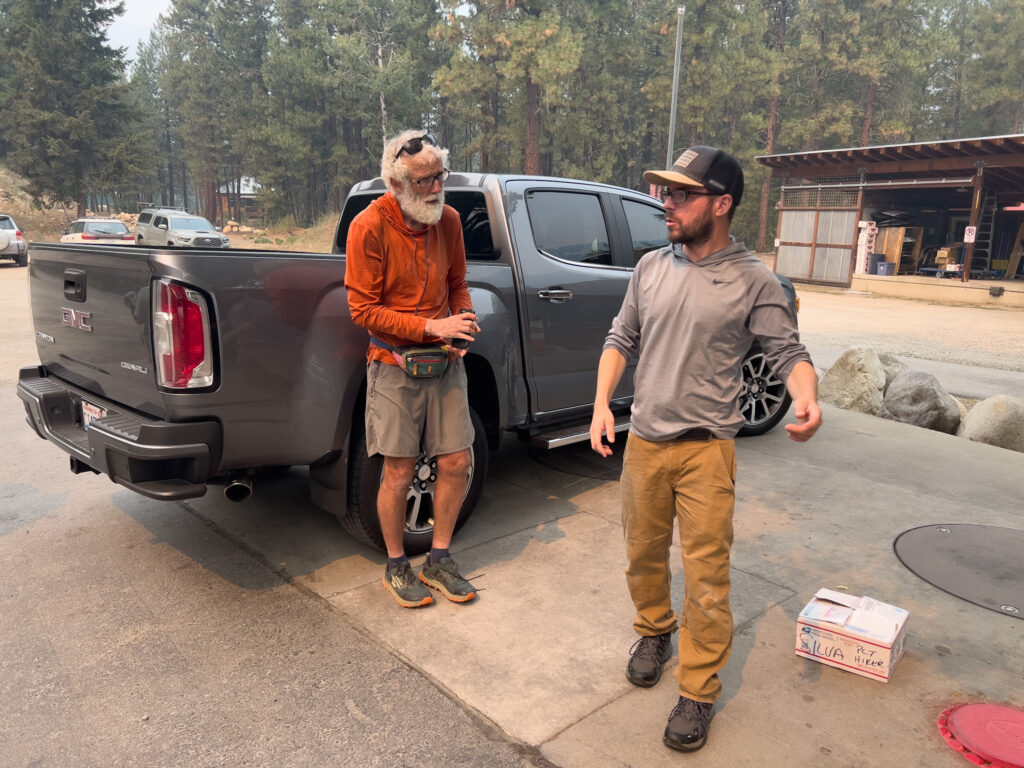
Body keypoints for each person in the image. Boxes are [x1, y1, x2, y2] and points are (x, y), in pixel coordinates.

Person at [589, 146, 822, 752]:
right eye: (667, 193)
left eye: (682, 194)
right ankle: (654, 631)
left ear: (721, 204)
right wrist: (601, 404)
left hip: (707, 451)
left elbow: (788, 352)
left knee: (708, 579)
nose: (667, 204)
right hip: (644, 443)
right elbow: (621, 337)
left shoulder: (753, 280)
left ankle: (697, 689)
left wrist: (807, 398)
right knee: (642, 558)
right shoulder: (650, 267)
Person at [345, 130, 480, 609]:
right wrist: (431, 326)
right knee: (399, 469)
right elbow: (363, 311)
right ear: (395, 184)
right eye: (425, 181)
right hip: (393, 364)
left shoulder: (450, 220)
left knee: (458, 461)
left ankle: (439, 559)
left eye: (440, 176)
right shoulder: (369, 226)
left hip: (445, 362)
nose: (436, 187)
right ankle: (396, 565)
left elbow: (457, 282)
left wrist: (463, 321)